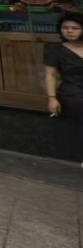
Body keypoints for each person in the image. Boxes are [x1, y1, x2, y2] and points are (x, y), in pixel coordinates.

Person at [44, 12, 83, 166]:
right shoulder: (55, 49)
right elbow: (50, 75)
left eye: (75, 28)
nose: (69, 31)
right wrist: (52, 98)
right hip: (72, 93)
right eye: (65, 27)